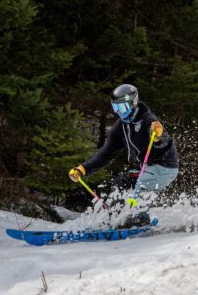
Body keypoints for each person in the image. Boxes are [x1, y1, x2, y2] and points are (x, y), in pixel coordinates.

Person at [68, 84, 178, 224]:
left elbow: (164, 141)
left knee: (141, 187)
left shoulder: (147, 119)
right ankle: (115, 219)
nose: (120, 112)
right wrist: (83, 169)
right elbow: (105, 154)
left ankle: (140, 220)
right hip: (146, 169)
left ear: (133, 104)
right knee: (121, 183)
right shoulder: (120, 128)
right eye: (116, 108)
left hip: (164, 167)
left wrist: (158, 136)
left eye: (123, 108)